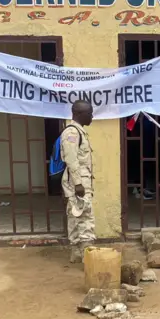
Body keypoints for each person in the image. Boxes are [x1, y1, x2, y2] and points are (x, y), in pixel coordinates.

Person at [61, 100, 95, 263]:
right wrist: (78, 184)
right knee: (84, 216)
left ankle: (76, 252)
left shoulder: (79, 132)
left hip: (80, 181)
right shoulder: (72, 133)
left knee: (76, 215)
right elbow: (71, 160)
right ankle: (87, 255)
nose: (92, 116)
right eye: (90, 113)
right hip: (78, 183)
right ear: (80, 114)